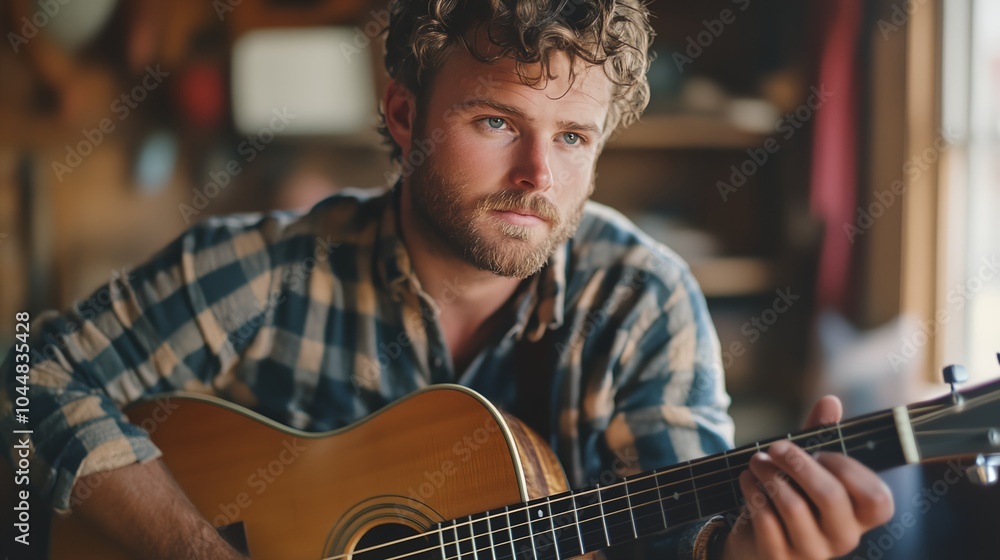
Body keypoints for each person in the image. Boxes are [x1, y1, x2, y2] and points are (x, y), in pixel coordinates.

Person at [0, 1, 894, 558]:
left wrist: (745, 553)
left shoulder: (641, 303)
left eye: (572, 137)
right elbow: (29, 373)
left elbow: (675, 535)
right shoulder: (269, 270)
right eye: (497, 121)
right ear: (403, 114)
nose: (538, 177)